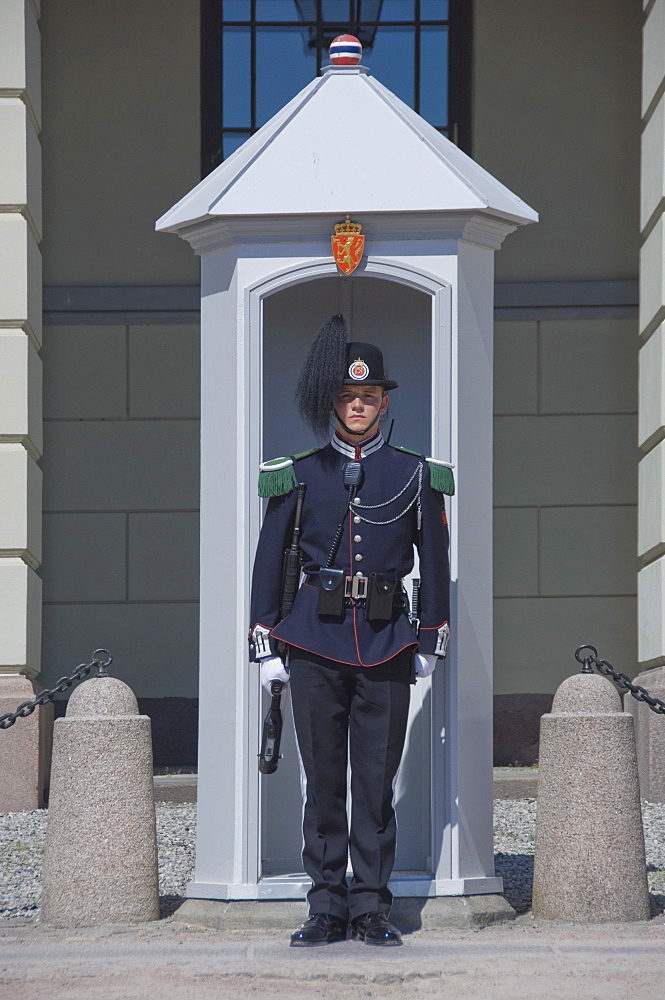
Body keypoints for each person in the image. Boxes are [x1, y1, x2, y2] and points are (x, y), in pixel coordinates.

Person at [248, 315, 453, 947]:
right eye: (346, 396)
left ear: (384, 401)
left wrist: (429, 638)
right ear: (332, 403)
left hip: (389, 642)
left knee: (375, 782)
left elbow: (436, 566)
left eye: (367, 397)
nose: (358, 406)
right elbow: (268, 559)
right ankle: (325, 905)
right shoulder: (298, 473)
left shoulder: (417, 474)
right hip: (312, 642)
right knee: (322, 780)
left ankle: (371, 906)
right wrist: (267, 644)